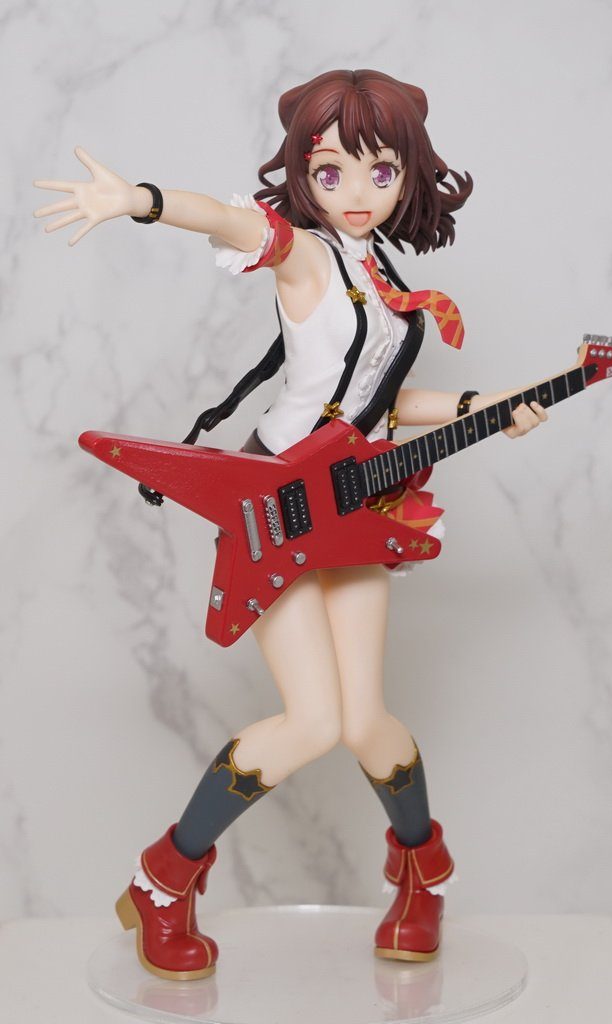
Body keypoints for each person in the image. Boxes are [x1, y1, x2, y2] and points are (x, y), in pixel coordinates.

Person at [34, 69, 548, 981]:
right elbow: (233, 225)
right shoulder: (306, 255)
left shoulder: (385, 276)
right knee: (311, 721)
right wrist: (139, 199)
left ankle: (423, 875)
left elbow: (384, 406)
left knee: (365, 719)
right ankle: (163, 880)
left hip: (354, 511)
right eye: (330, 170)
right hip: (276, 507)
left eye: (381, 173)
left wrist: (487, 405)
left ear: (409, 175)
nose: (356, 193)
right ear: (303, 173)